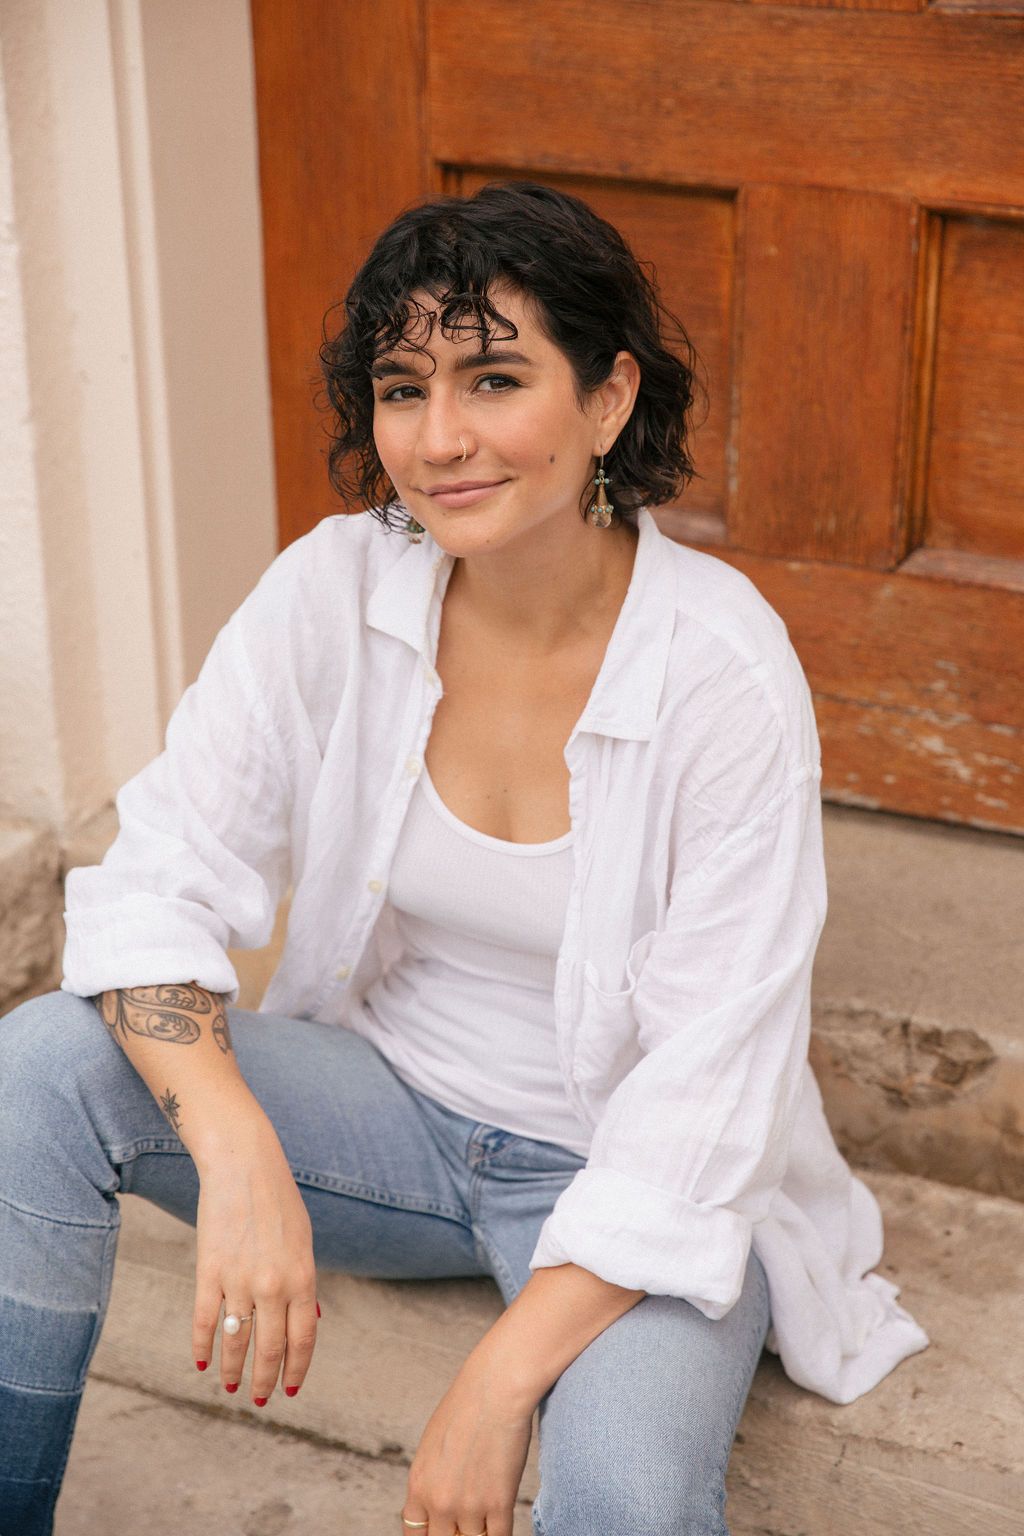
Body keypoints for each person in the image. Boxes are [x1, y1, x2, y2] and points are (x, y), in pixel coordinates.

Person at [0, 181, 928, 1536]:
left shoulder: (724, 674)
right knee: (38, 1070)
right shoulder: (335, 587)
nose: (440, 442)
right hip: (395, 1117)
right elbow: (158, 876)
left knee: (624, 1495)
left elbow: (701, 1110)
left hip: (623, 1186)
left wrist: (496, 1386)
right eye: (401, 387)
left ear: (609, 401)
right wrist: (236, 1137)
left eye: (495, 379)